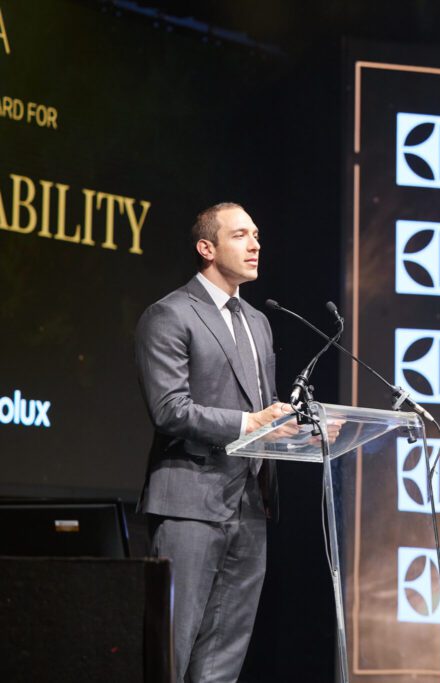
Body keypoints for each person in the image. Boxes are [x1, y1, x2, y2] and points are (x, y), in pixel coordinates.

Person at [135, 202, 295, 682]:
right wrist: (250, 422)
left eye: (257, 235)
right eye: (240, 235)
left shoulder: (258, 321)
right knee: (169, 651)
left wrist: (299, 426)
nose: (255, 244)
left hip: (250, 504)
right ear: (207, 248)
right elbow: (170, 409)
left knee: (224, 659)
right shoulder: (169, 314)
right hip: (188, 504)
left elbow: (261, 406)